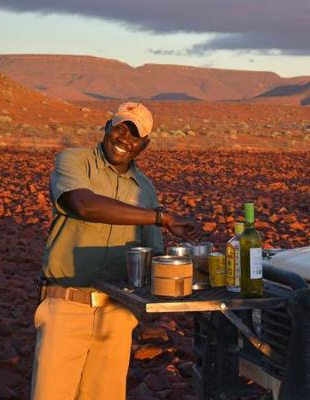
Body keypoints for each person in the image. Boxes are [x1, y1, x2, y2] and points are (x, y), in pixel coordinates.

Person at [31, 102, 202, 400]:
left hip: (117, 312)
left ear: (144, 145)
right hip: (68, 304)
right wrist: (161, 218)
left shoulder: (145, 189)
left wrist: (193, 270)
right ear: (108, 127)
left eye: (134, 135)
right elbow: (83, 205)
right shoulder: (74, 161)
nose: (124, 139)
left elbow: (152, 254)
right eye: (120, 129)